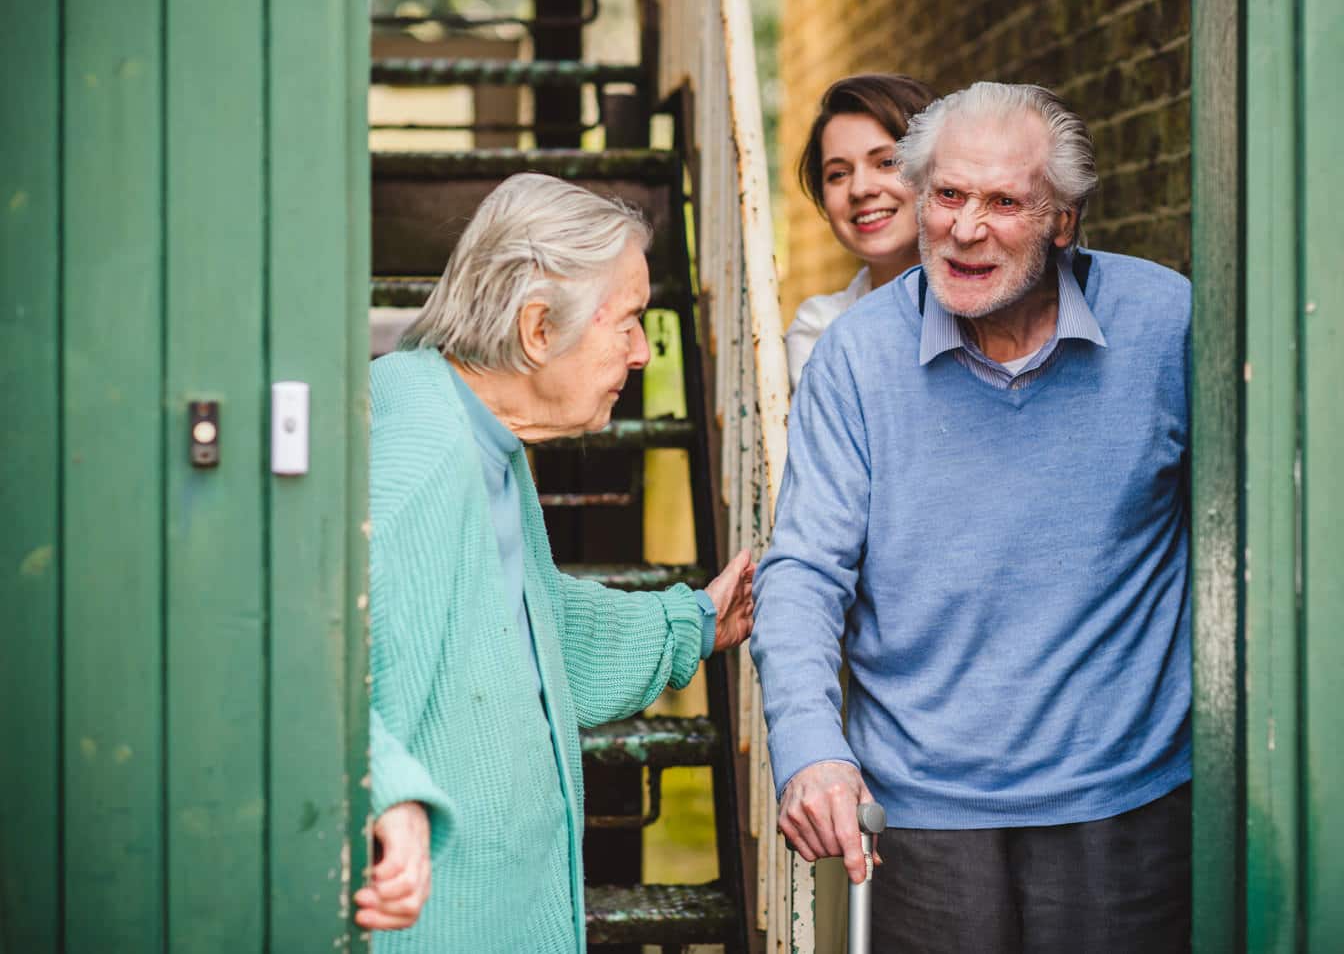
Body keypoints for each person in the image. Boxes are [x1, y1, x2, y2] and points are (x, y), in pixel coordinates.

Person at [751, 82, 1191, 952]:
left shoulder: (1167, 323)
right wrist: (808, 743)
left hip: (1127, 803)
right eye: (948, 194)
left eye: (1003, 201)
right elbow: (804, 569)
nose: (965, 226)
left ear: (1063, 220)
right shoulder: (855, 357)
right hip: (922, 809)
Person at [356, 173, 755, 952]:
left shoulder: (484, 445)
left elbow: (534, 629)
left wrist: (694, 620)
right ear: (538, 330)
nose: (642, 353)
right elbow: (312, 673)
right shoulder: (422, 462)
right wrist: (390, 796)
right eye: (630, 322)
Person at [785, 73, 936, 388]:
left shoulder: (1005, 304)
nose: (860, 189)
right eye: (838, 174)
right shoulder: (820, 328)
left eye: (886, 162)